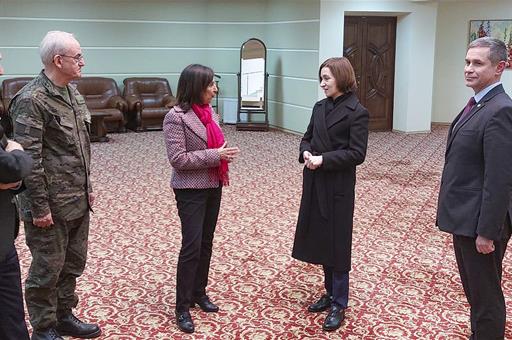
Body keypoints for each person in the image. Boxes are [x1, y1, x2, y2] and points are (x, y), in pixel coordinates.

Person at [9, 31, 101, 340]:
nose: (82, 62)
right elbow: (28, 159)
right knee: (47, 269)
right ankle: (44, 328)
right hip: (47, 204)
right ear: (58, 60)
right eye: (77, 57)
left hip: (76, 198)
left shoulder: (73, 94)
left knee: (73, 264)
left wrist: (88, 187)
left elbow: (80, 146)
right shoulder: (30, 100)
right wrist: (39, 207)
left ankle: (64, 316)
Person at [436, 37, 512, 340]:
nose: (468, 68)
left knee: (486, 297)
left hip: (480, 223)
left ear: (500, 68)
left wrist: (487, 231)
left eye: (478, 63)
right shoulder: (479, 103)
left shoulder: (500, 110)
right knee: (476, 293)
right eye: (467, 61)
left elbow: (499, 178)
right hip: (465, 217)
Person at [292, 57, 369, 332]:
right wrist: (305, 152)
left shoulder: (357, 111)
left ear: (342, 78)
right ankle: (329, 292)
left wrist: (323, 159)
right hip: (314, 181)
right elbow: (307, 136)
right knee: (321, 237)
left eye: (327, 78)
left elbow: (357, 154)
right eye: (321, 78)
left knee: (337, 242)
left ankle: (340, 302)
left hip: (337, 186)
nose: (322, 83)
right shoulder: (319, 107)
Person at [163, 64, 240, 334]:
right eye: (210, 85)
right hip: (189, 189)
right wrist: (215, 155)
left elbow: (217, 144)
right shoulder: (175, 117)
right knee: (192, 246)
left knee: (206, 242)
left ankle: (199, 292)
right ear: (196, 86)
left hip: (213, 184)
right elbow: (178, 159)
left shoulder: (211, 113)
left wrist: (221, 153)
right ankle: (182, 306)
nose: (215, 89)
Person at [0, 52, 32, 340]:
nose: (1, 67)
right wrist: (15, 149)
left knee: (11, 320)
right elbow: (13, 166)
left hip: (4, 236)